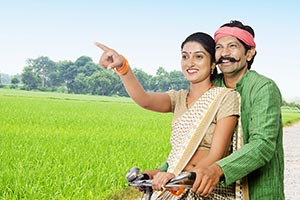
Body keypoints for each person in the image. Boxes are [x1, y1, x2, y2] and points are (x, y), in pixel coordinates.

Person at [95, 32, 242, 199]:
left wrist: (176, 175)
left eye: (199, 57)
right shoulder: (178, 98)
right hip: (173, 184)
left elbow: (217, 155)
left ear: (212, 64)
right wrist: (122, 67)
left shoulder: (225, 97)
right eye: (185, 56)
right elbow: (144, 99)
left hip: (204, 187)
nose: (190, 63)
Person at [191, 20, 284, 200]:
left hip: (258, 191)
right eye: (219, 47)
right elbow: (191, 138)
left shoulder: (263, 88)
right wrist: (163, 170)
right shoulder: (210, 86)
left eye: (232, 46)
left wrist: (217, 170)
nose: (224, 53)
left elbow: (262, 144)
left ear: (249, 53)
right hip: (212, 192)